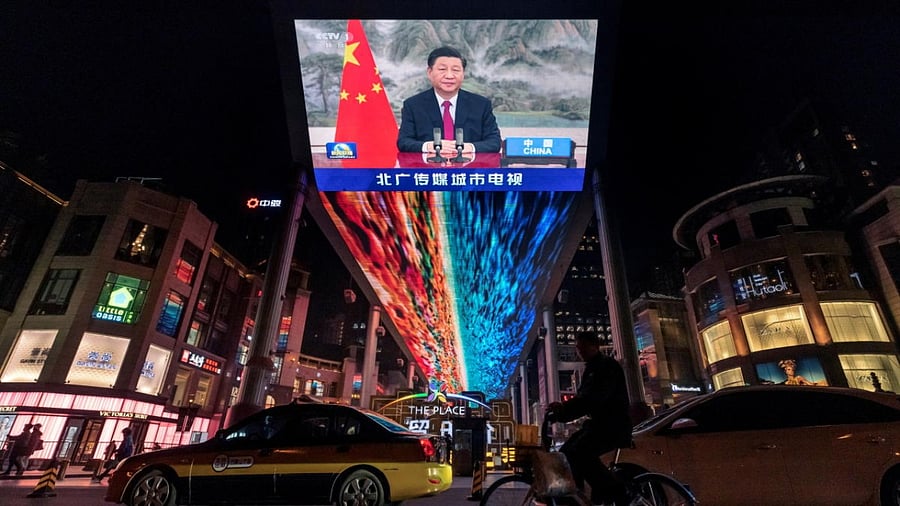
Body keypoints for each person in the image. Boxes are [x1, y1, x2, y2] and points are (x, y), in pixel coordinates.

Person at [546, 331, 633, 505]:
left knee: (580, 453)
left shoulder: (606, 366)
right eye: (578, 348)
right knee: (566, 453)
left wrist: (563, 411)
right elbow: (583, 401)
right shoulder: (592, 368)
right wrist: (562, 413)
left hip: (612, 426)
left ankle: (617, 491)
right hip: (599, 425)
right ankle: (581, 495)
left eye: (583, 347)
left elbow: (590, 399)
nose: (580, 351)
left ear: (595, 346)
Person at [396, 46, 501, 156]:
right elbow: (404, 142)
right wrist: (429, 146)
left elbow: (494, 142)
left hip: (468, 170)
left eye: (455, 70)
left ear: (463, 74)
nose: (449, 76)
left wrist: (470, 147)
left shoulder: (481, 105)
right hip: (429, 170)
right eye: (442, 69)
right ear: (429, 72)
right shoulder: (413, 105)